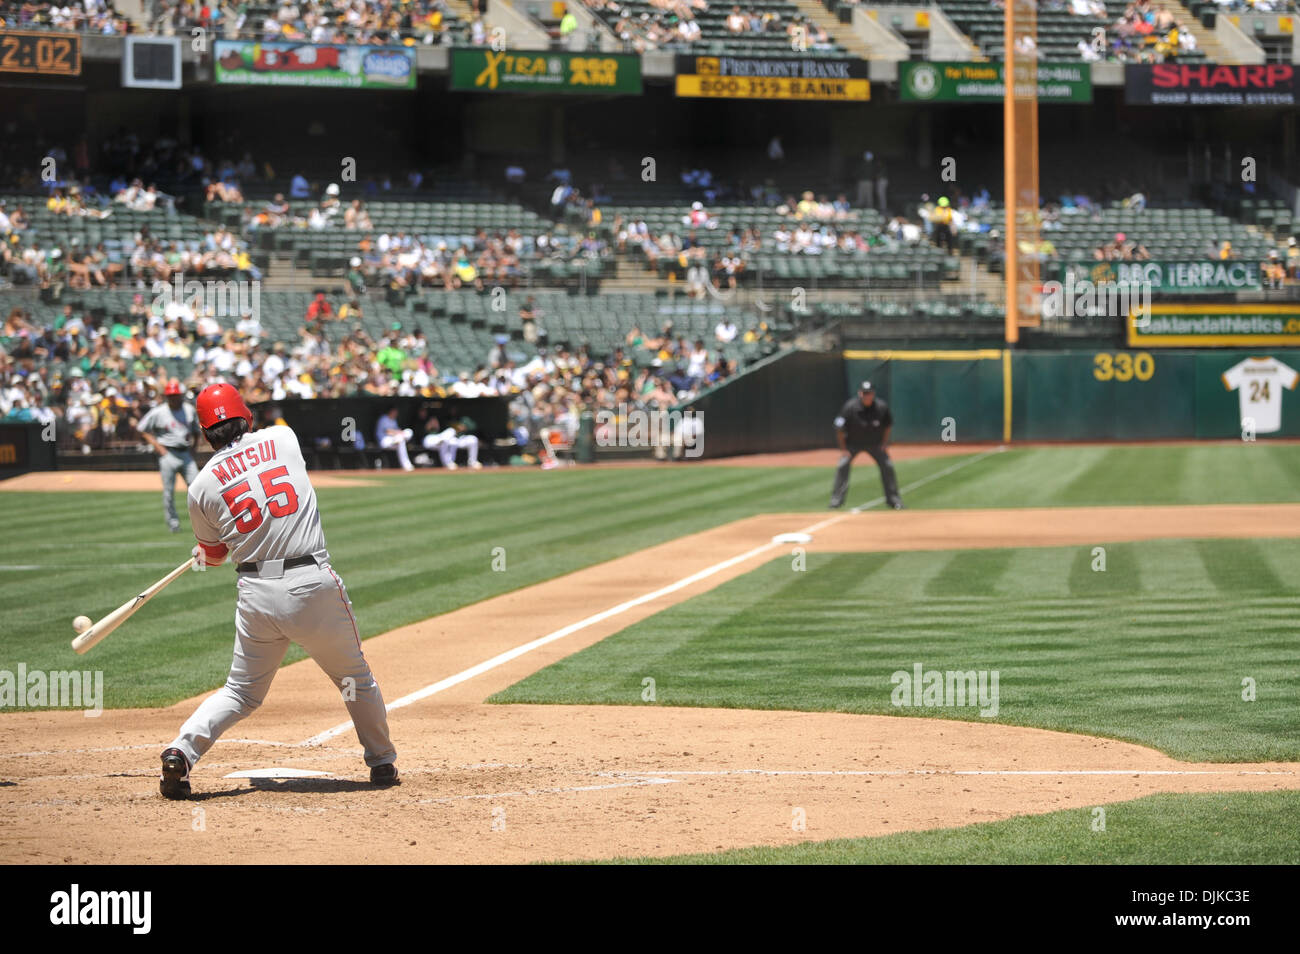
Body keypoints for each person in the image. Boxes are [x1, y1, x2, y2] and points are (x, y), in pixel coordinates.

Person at [159, 382, 398, 799]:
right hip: (310, 583)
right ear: (244, 416)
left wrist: (202, 553)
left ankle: (182, 750)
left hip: (255, 593)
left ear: (202, 431)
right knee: (354, 678)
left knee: (240, 692)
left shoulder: (199, 487)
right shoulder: (282, 438)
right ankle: (381, 762)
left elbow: (214, 555)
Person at [136, 380, 200, 533]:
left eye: (175, 395)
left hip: (185, 453)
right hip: (168, 454)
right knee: (168, 492)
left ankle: (204, 524)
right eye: (170, 396)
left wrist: (194, 449)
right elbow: (142, 429)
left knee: (198, 488)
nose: (173, 398)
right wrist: (158, 447)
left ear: (180, 395)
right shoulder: (159, 411)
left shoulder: (188, 410)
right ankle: (173, 524)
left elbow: (197, 431)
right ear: (166, 396)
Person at [829, 381, 903, 510]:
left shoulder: (881, 407)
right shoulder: (850, 407)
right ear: (860, 393)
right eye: (864, 393)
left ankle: (894, 500)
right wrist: (843, 449)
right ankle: (836, 501)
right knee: (842, 465)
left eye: (869, 393)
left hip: (875, 444)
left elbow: (888, 425)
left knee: (888, 466)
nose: (867, 396)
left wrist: (885, 443)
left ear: (873, 394)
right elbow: (839, 428)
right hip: (853, 444)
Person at [376, 406, 415, 471]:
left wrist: (401, 433)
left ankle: (406, 465)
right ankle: (406, 465)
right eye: (395, 412)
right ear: (391, 411)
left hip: (393, 441)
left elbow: (397, 429)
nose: (396, 414)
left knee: (407, 433)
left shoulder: (394, 420)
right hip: (384, 441)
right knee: (400, 439)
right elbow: (388, 431)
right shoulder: (383, 419)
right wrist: (400, 433)